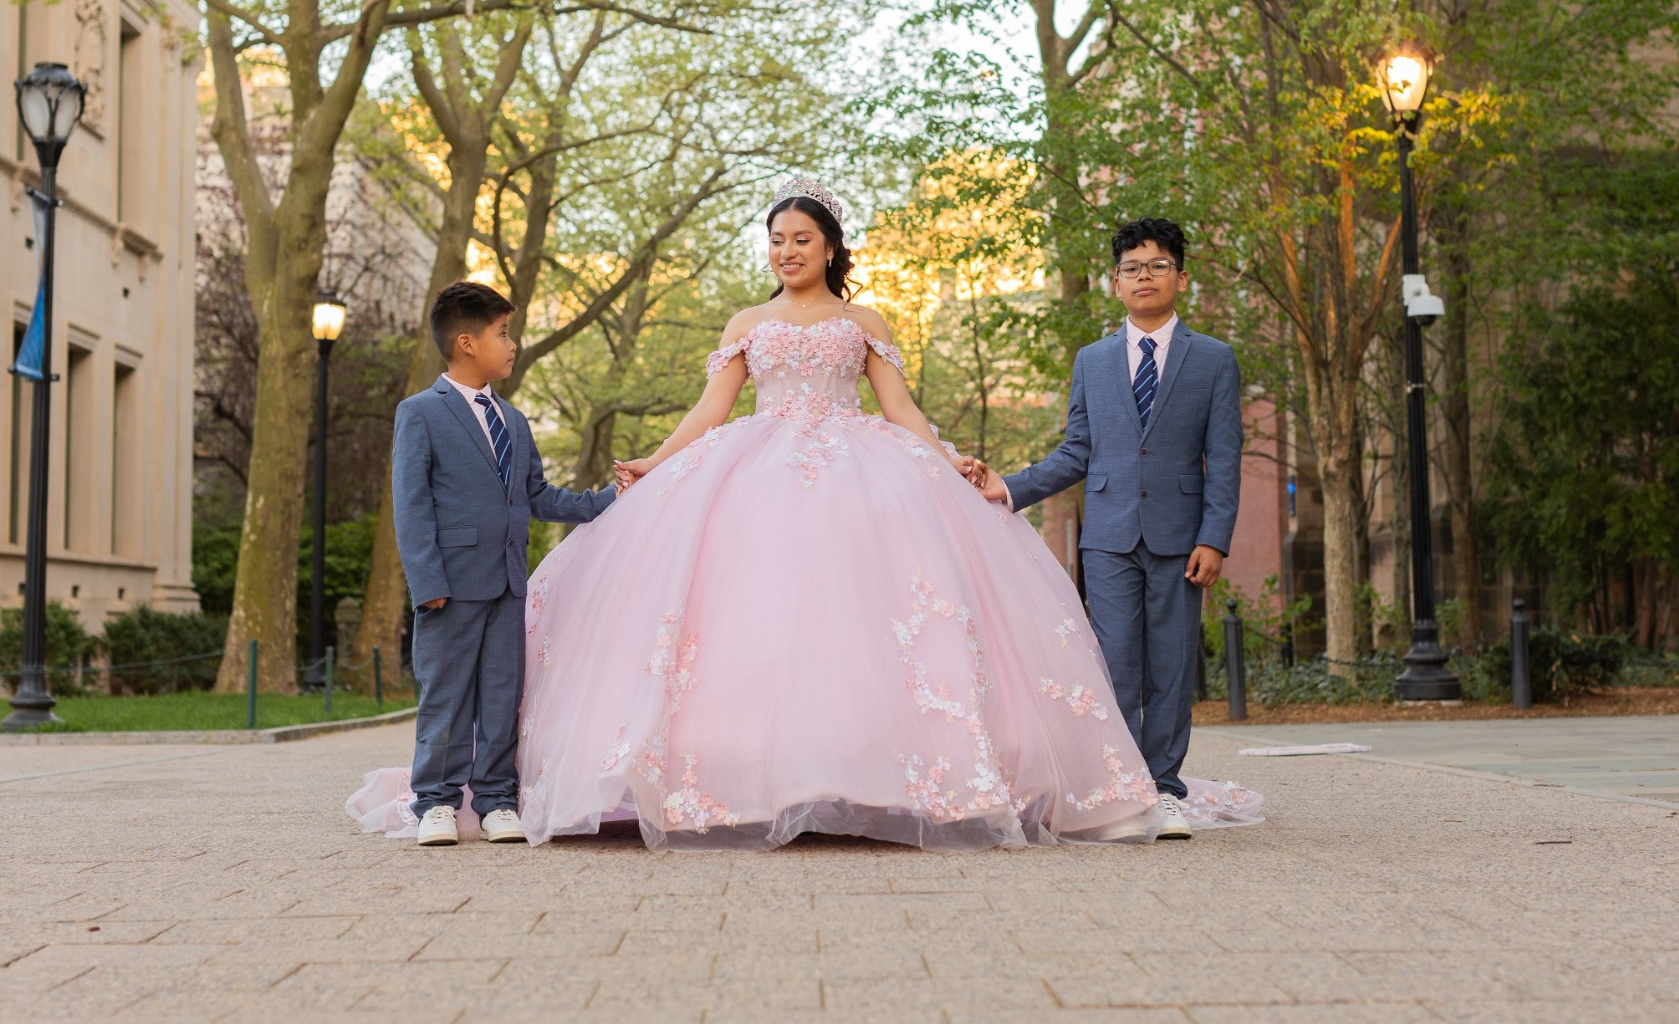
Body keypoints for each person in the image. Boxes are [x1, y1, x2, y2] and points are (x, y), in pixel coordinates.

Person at [347, 180, 1260, 849]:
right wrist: (658, 463)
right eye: (776, 239)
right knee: (747, 618)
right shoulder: (747, 321)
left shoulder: (866, 319)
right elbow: (712, 413)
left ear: (829, 245)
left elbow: (899, 410)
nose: (785, 251)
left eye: (800, 238)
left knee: (874, 616)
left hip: (863, 470)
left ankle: (899, 771)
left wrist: (947, 459)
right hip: (754, 467)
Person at [980, 219, 1243, 837]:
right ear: (1113, 281)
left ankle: (1166, 788)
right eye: (1131, 267)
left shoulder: (1213, 360)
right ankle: (1120, 788)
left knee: (1173, 665)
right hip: (1108, 535)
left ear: (1181, 276)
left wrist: (1215, 537)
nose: (1143, 277)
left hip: (1183, 538)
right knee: (1114, 663)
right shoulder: (1093, 360)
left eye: (1156, 266)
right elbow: (1077, 451)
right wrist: (1010, 488)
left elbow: (1224, 457)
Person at [388, 281, 615, 847]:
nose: (512, 345)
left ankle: (494, 799)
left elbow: (538, 495)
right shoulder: (420, 413)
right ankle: (435, 803)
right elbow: (411, 504)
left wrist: (610, 500)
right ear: (466, 343)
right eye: (503, 333)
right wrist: (426, 583)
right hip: (450, 585)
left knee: (501, 694)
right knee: (445, 694)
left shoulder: (513, 420)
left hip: (509, 583)